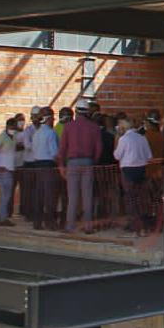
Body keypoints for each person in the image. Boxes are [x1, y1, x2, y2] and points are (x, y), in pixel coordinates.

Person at [59, 99, 102, 234]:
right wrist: (93, 161)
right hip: (88, 162)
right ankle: (88, 226)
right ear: (88, 112)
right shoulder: (94, 127)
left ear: (76, 111)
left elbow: (63, 148)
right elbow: (98, 148)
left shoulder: (68, 127)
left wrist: (61, 165)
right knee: (87, 195)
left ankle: (70, 226)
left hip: (72, 163)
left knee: (72, 197)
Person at [114, 118, 152, 234]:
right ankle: (144, 223)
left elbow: (117, 156)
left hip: (128, 170)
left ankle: (134, 224)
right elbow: (149, 156)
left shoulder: (123, 139)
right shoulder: (142, 138)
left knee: (130, 198)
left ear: (123, 128)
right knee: (141, 197)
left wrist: (117, 139)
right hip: (141, 169)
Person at [30, 108, 59, 230]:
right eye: (52, 118)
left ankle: (37, 222)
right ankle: (50, 222)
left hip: (37, 165)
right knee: (49, 195)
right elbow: (54, 152)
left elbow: (33, 149)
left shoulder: (36, 133)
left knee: (39, 194)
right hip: (48, 165)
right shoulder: (51, 133)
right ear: (49, 119)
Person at [0, 117, 20, 227]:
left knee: (6, 196)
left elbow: (12, 149)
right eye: (13, 126)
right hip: (3, 171)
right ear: (8, 126)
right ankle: (2, 218)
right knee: (5, 195)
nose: (15, 128)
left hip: (9, 170)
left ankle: (3, 217)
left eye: (15, 127)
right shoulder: (2, 137)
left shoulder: (13, 137)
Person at [16, 109, 35, 219]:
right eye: (19, 120)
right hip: (14, 165)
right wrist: (26, 145)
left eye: (23, 119)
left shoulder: (26, 132)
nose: (21, 122)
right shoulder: (13, 133)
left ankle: (24, 209)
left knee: (25, 189)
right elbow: (13, 146)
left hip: (24, 164)